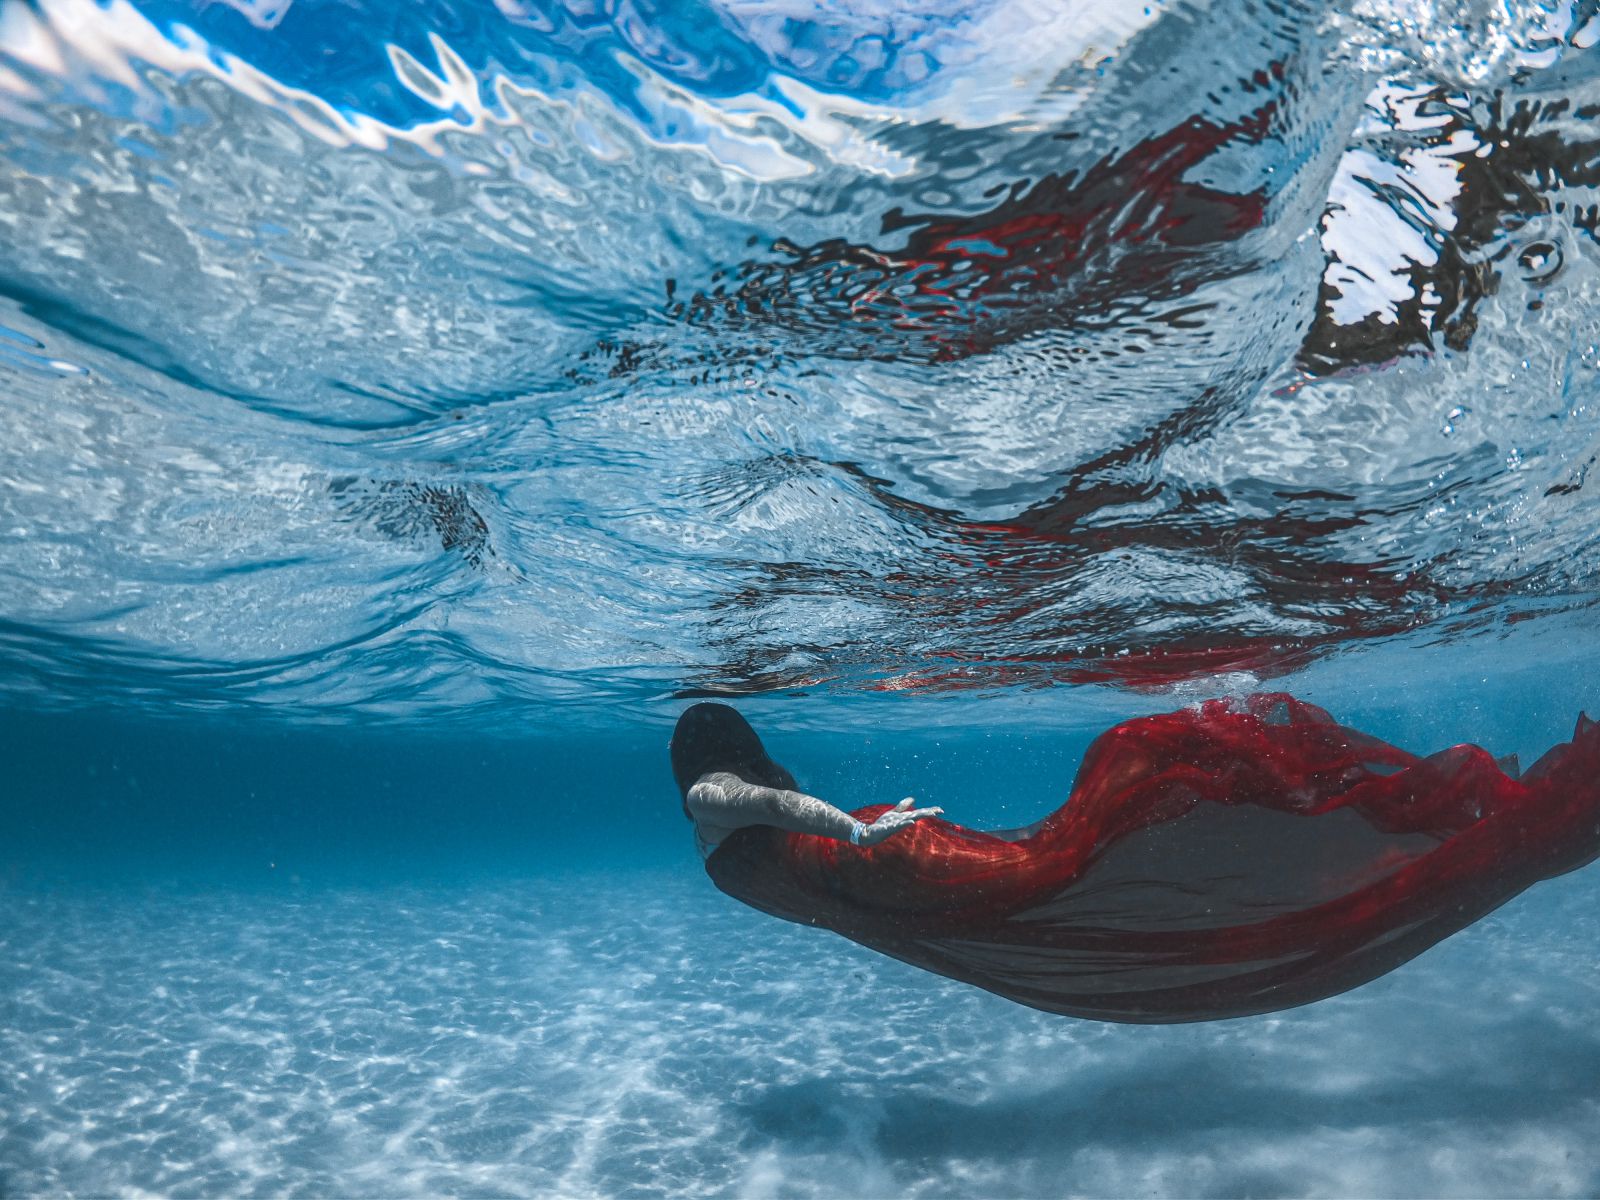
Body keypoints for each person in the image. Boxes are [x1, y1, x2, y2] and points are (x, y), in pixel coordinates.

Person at [670, 695, 1600, 1023]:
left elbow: (754, 806)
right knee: (1067, 857)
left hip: (881, 864)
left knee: (1065, 865)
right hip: (878, 858)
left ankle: (1226, 772)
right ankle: (1229, 772)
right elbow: (753, 797)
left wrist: (850, 832)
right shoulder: (713, 800)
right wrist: (852, 831)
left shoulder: (708, 826)